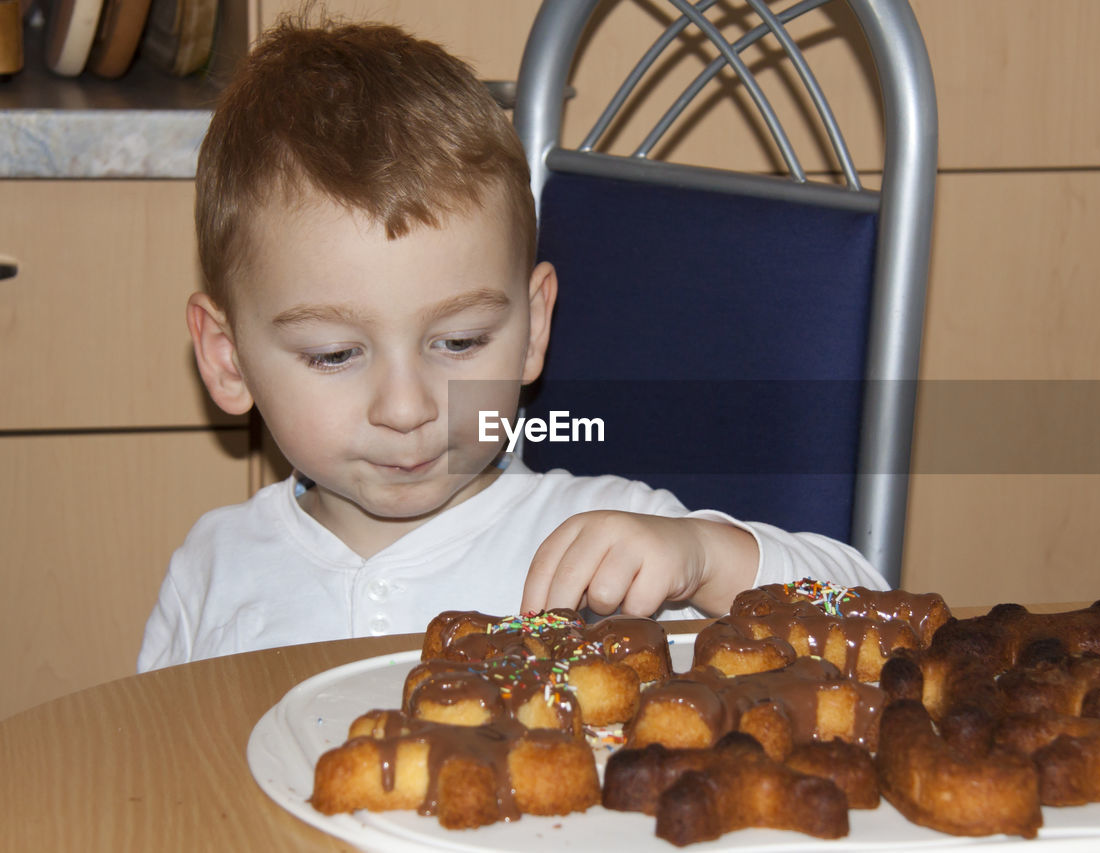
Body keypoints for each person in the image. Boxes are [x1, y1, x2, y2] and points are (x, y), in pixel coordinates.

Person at [137, 17, 886, 672]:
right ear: (228, 360)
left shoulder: (605, 545)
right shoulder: (213, 570)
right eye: (336, 354)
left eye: (459, 341)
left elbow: (875, 617)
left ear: (532, 328)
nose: (407, 407)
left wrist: (706, 559)